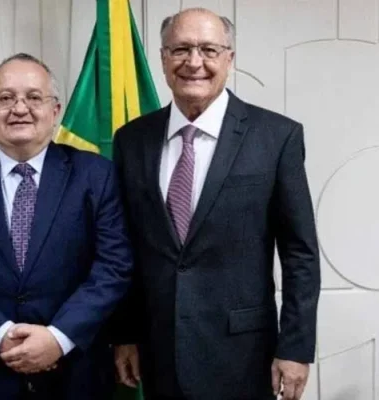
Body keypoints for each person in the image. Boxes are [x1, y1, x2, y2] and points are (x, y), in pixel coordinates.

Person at [110, 8, 321, 400]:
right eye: (181, 50)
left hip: (244, 356)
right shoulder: (131, 140)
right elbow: (124, 248)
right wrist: (124, 334)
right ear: (163, 58)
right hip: (158, 353)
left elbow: (300, 254)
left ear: (230, 58)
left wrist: (295, 347)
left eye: (208, 50)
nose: (194, 62)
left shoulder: (276, 137)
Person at [0, 52, 133, 400]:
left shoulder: (97, 175)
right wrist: (0, 335)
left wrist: (58, 338)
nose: (20, 108)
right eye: (6, 98)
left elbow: (114, 267)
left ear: (55, 110)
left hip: (77, 376)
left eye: (34, 97)